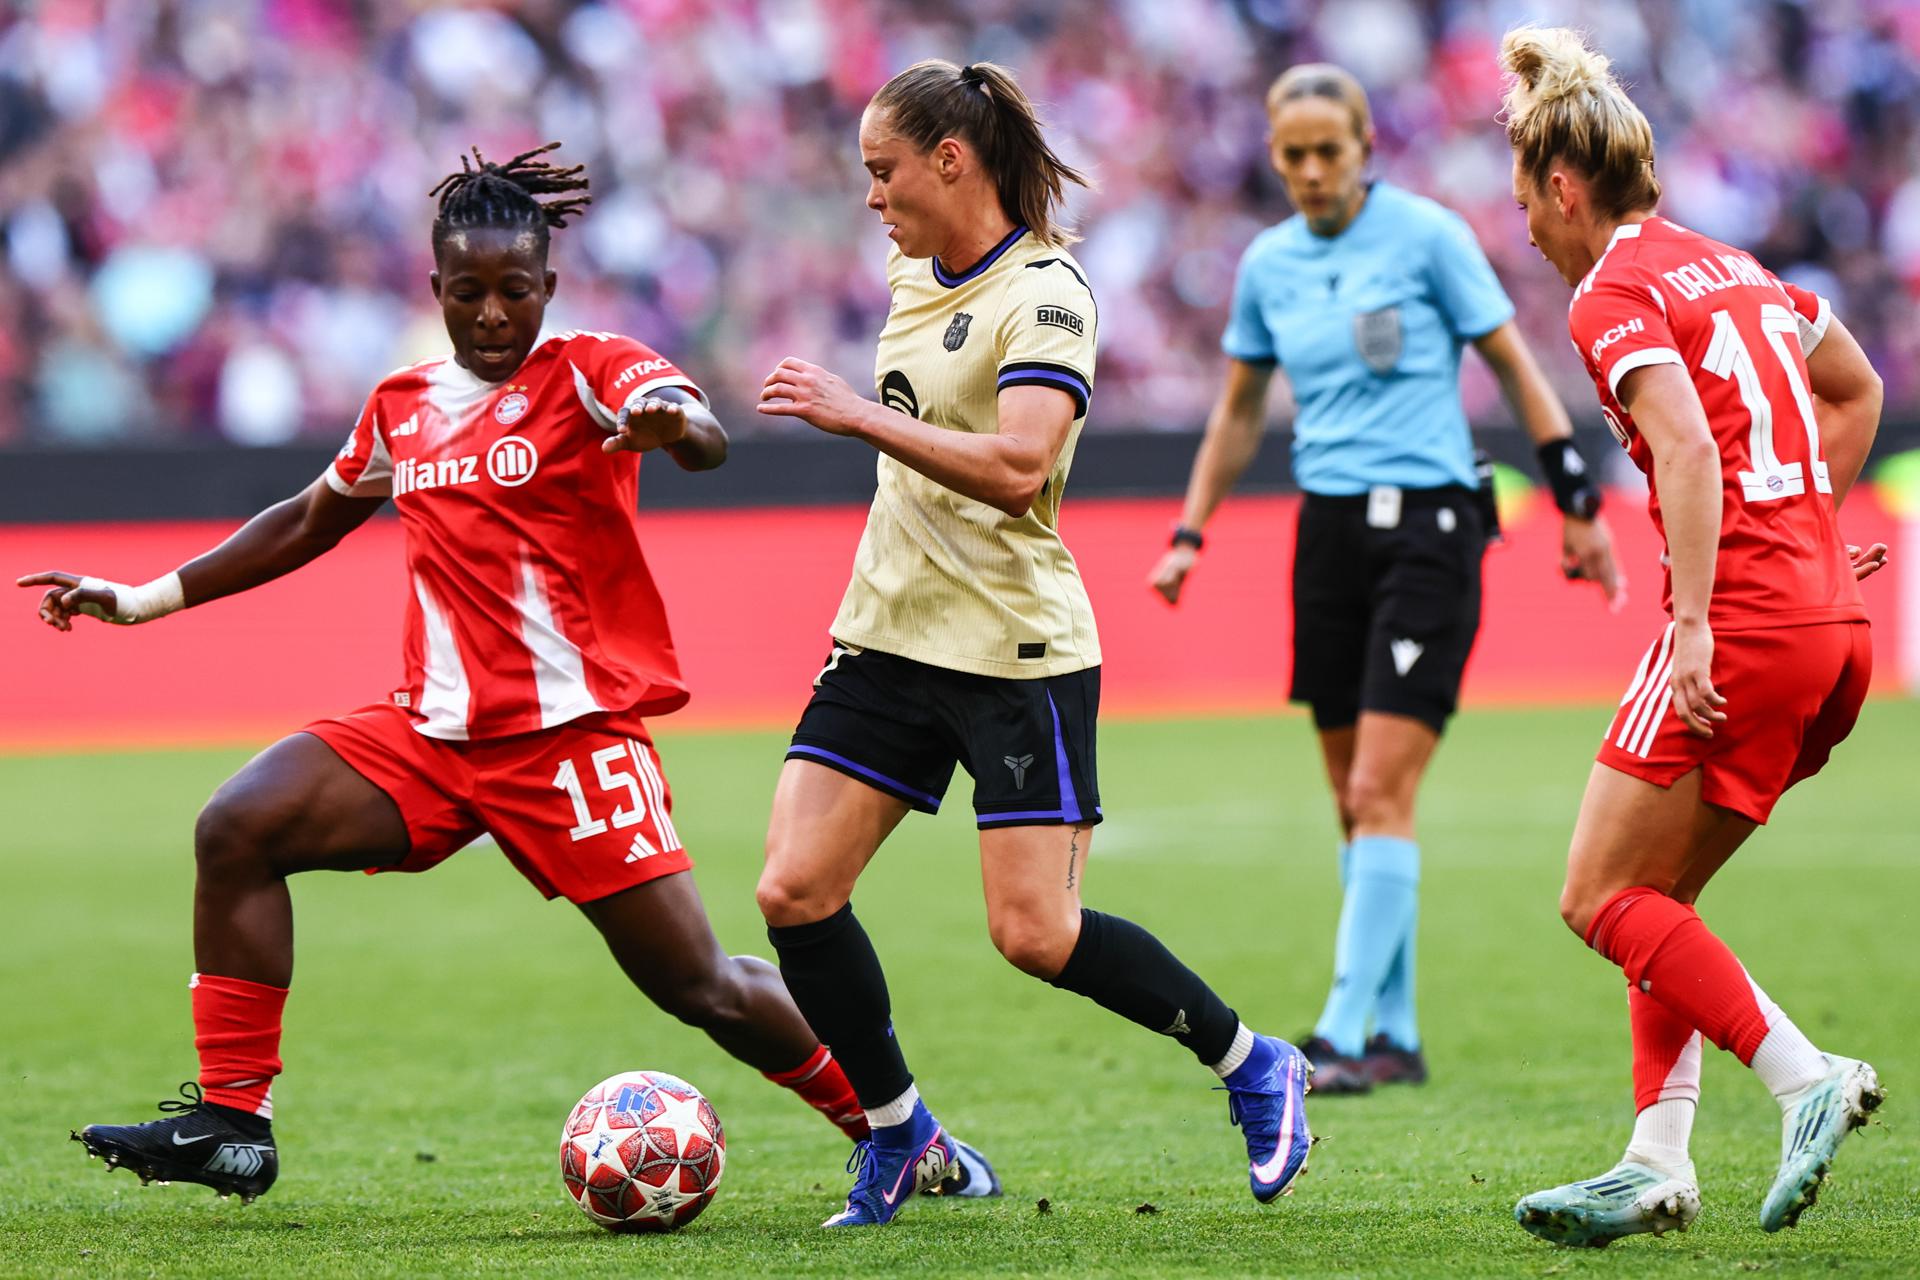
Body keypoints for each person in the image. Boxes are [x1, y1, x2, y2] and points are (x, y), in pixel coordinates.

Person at [19, 143, 937, 1204]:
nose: (493, 314)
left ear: (548, 286)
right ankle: (234, 1119)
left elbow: (705, 432)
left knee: (702, 984)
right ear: (436, 289)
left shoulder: (594, 369)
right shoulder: (404, 402)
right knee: (238, 824)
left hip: (570, 741)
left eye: (514, 291)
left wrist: (669, 426)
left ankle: (901, 1128)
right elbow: (310, 518)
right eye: (469, 293)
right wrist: (140, 596)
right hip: (430, 735)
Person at [750, 59, 1313, 1230]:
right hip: (889, 631)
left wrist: (857, 412)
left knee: (1034, 934)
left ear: (950, 160)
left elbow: (1018, 469)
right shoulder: (913, 269)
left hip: (1015, 649)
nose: (872, 196)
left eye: (884, 169)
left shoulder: (1049, 293)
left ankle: (1255, 1061)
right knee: (794, 888)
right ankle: (902, 1130)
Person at [1148, 64, 1622, 1094]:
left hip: (1431, 525)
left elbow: (1513, 365)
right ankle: (1397, 1032)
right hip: (1328, 532)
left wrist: (1576, 501)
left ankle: (1337, 1033)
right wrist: (1190, 531)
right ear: (1273, 157)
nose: (1312, 171)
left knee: (1378, 788)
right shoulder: (1269, 264)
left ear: (1366, 146)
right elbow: (1237, 411)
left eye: (1330, 151)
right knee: (1348, 799)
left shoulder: (1428, 237)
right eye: (1293, 155)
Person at [1495, 27, 1891, 1247]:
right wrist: (1808, 526)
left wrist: (1698, 618)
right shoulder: (1739, 267)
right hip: (1833, 626)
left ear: (1564, 185)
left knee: (1598, 891)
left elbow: (1684, 444)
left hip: (1749, 621)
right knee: (1657, 896)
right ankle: (1654, 1160)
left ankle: (1804, 1074)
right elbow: (1858, 386)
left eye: (1524, 199)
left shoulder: (1610, 291)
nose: (1525, 226)